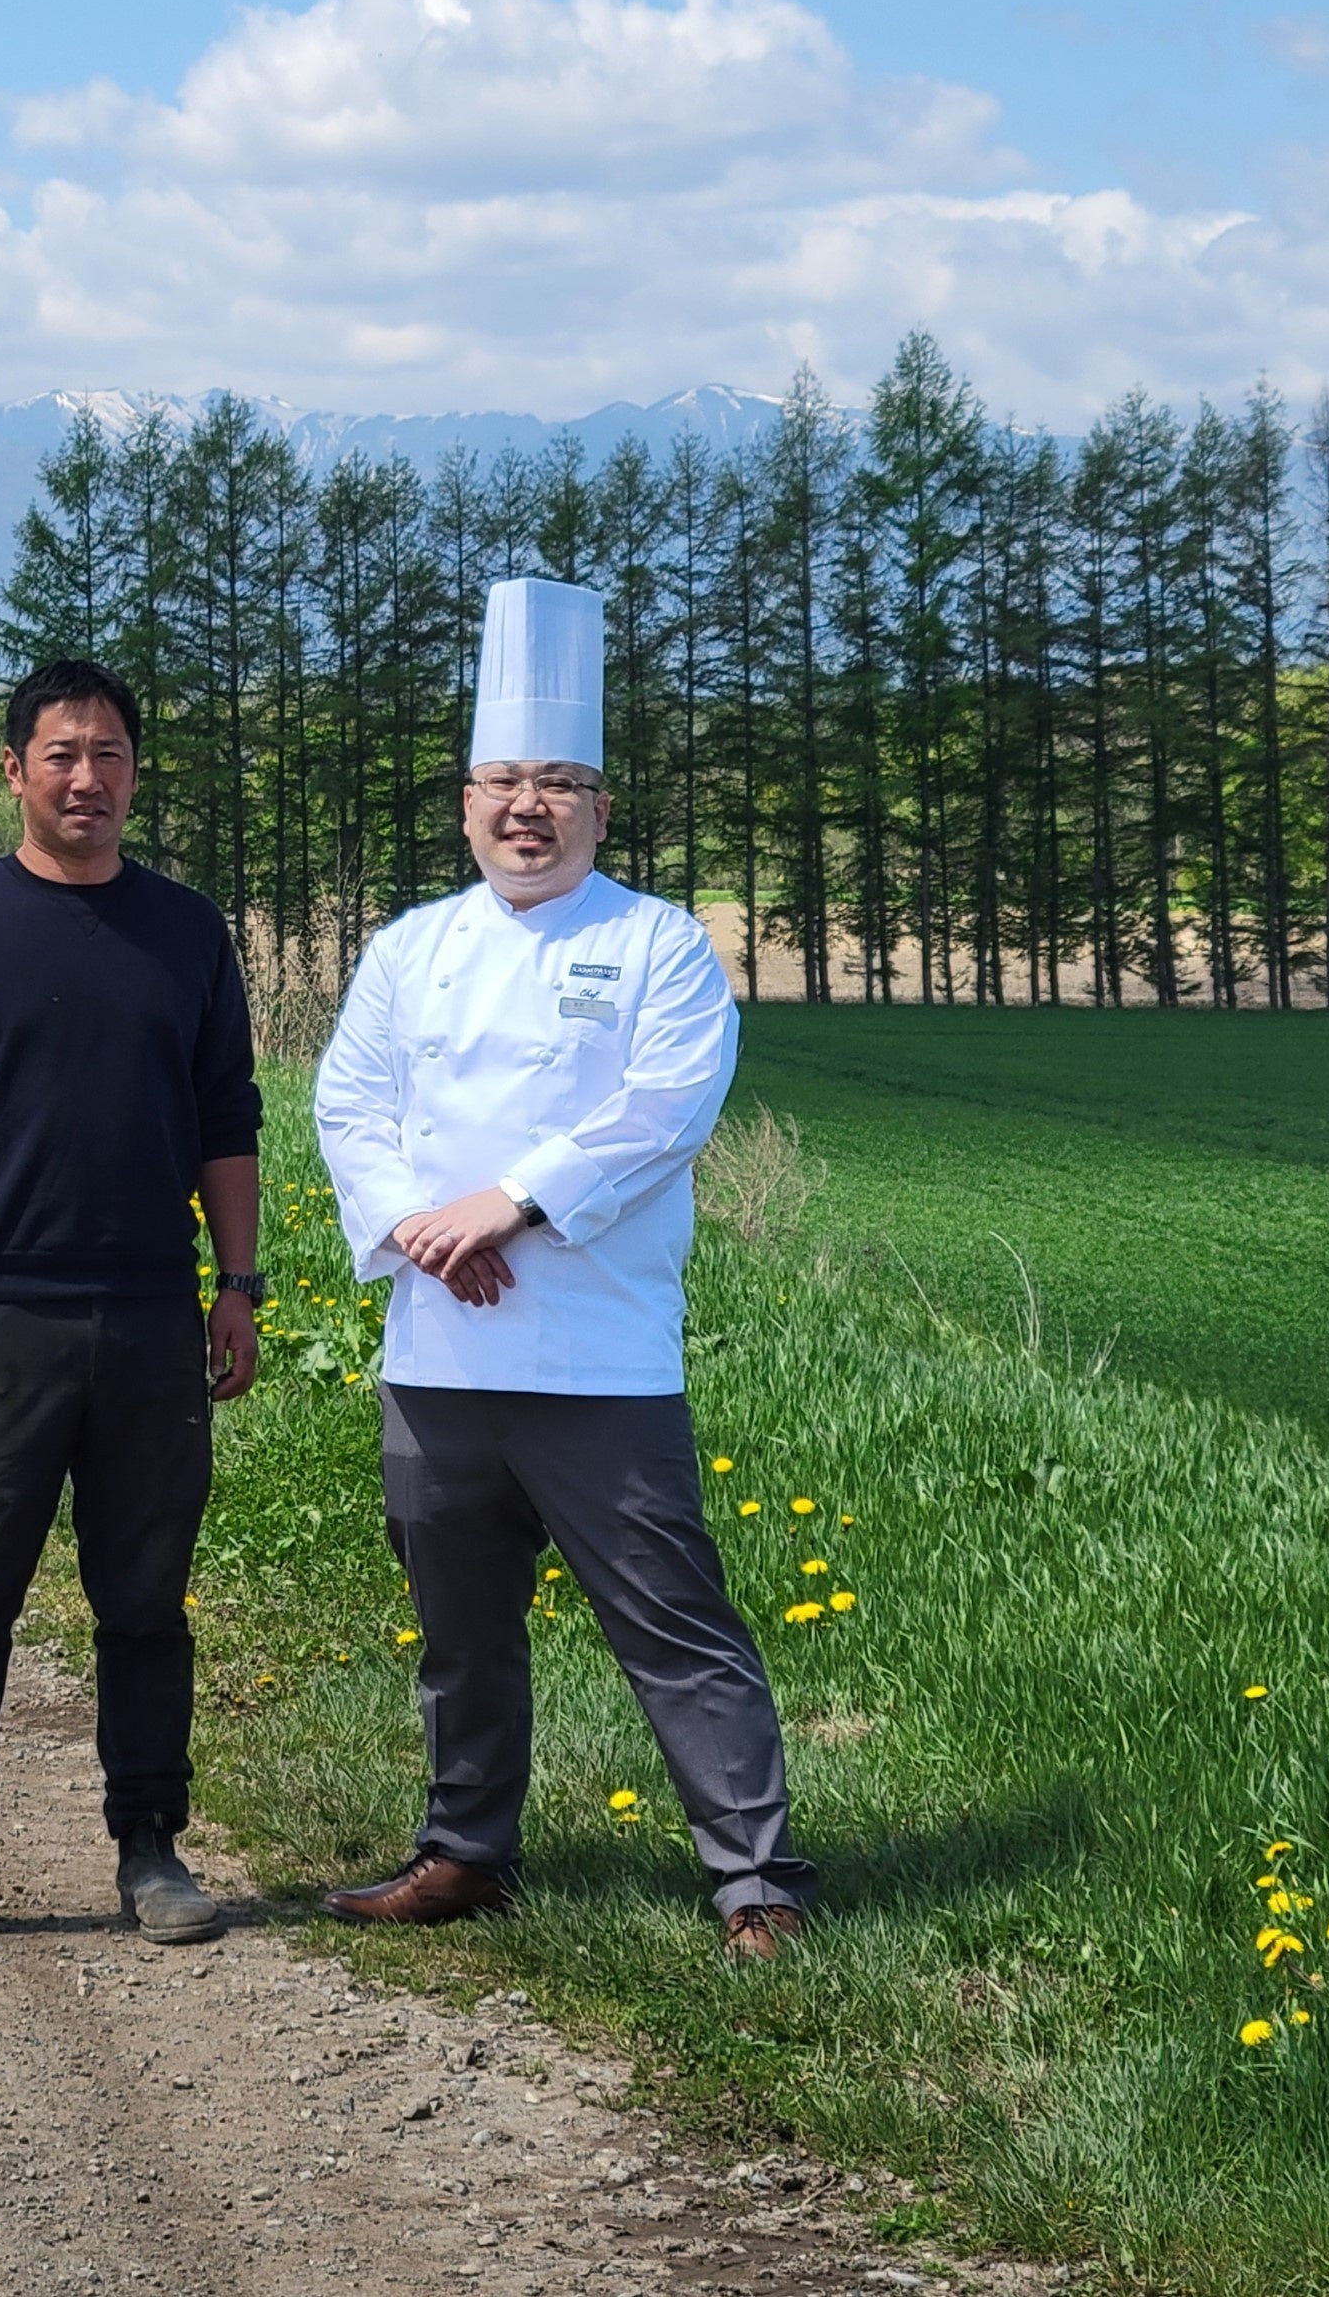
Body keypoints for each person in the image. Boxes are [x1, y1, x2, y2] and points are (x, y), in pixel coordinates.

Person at [309, 579, 814, 1961]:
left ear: (599, 809)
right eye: (502, 784)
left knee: (672, 1621)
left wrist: (507, 1207)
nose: (526, 808)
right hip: (438, 1345)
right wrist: (422, 1225)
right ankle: (464, 1852)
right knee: (458, 1627)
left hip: (598, 1352)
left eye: (558, 786)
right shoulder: (410, 947)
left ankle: (756, 1882)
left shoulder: (656, 943)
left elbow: (663, 1112)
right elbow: (349, 1105)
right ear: (466, 803)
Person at [0, 656, 267, 1952]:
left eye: (109, 756)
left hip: (151, 1314)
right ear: (14, 771)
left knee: (144, 1599)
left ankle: (150, 1843)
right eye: (61, 755)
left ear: (135, 774)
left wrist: (237, 1284)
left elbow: (228, 1118)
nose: (87, 778)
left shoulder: (188, 932)